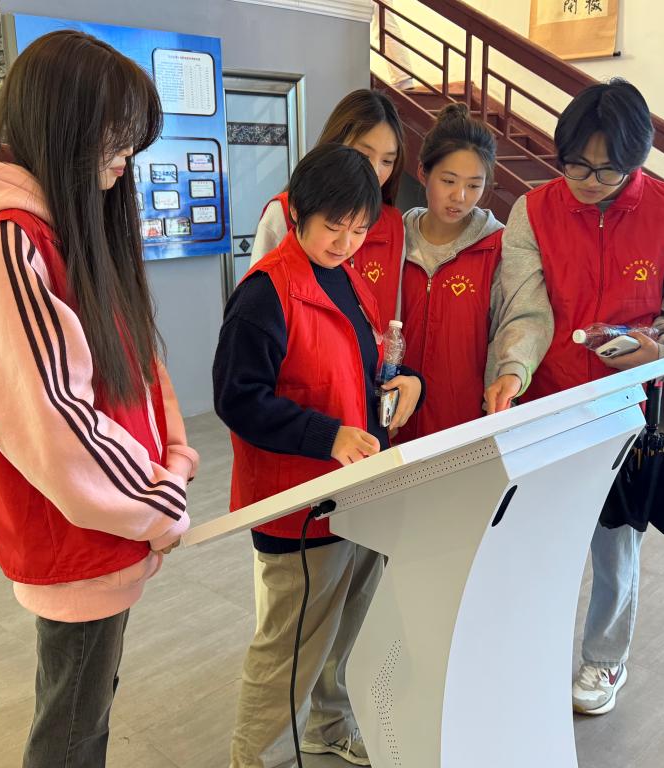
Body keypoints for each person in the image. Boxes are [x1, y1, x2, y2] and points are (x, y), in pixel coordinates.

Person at [0, 30, 197, 767]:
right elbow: (53, 423)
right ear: (66, 126)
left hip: (106, 531)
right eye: (115, 138)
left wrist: (171, 463)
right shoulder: (14, 243)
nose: (125, 160)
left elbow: (137, 363)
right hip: (80, 538)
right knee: (71, 728)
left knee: (84, 709)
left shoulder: (69, 228)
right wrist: (157, 502)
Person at [503, 78, 664, 715]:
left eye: (607, 170)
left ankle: (604, 660)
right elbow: (526, 311)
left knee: (615, 544)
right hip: (546, 404)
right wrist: (511, 371)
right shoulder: (534, 210)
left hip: (623, 412)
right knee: (539, 540)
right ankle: (530, 652)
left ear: (636, 160)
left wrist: (662, 350)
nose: (588, 182)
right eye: (575, 165)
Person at [215, 144, 423, 768]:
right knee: (290, 651)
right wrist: (327, 436)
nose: (346, 241)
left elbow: (358, 369)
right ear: (297, 212)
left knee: (346, 628)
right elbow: (237, 398)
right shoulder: (265, 294)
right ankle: (259, 758)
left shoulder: (347, 278)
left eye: (359, 229)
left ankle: (329, 724)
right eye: (334, 226)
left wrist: (405, 381)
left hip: (355, 492)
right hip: (298, 507)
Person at [396, 102, 549, 441]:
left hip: (463, 426)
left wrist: (512, 371)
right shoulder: (394, 240)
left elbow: (523, 316)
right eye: (448, 181)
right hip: (390, 421)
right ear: (422, 173)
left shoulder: (498, 248)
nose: (460, 197)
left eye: (474, 185)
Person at [250, 89, 406, 323]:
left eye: (387, 161)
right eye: (363, 155)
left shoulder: (393, 223)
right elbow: (257, 304)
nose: (374, 171)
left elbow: (393, 319)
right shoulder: (284, 211)